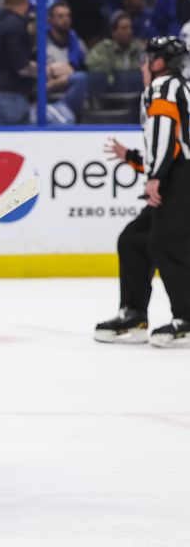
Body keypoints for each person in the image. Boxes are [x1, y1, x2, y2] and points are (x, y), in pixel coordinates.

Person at [96, 37, 190, 348]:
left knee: (167, 245)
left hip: (179, 178)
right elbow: (170, 145)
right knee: (134, 240)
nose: (142, 66)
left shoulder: (164, 86)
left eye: (147, 59)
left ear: (159, 62)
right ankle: (134, 313)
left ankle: (186, 318)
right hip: (176, 175)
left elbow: (165, 136)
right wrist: (135, 160)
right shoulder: (177, 88)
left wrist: (155, 178)